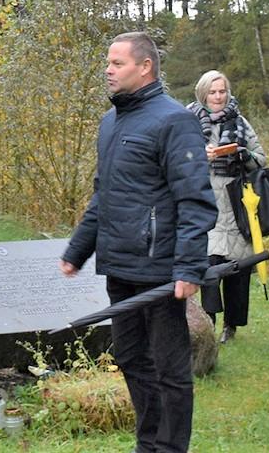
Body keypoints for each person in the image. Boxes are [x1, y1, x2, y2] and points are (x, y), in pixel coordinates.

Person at [60, 32, 215, 453]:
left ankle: (169, 448)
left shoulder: (173, 120)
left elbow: (195, 199)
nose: (108, 70)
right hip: (120, 264)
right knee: (130, 358)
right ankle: (148, 444)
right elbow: (104, 195)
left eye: (117, 63)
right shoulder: (111, 123)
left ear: (145, 67)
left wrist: (188, 267)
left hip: (159, 268)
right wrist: (78, 250)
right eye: (108, 63)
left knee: (169, 368)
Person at [187, 70, 267, 343]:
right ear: (203, 93)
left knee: (237, 267)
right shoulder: (188, 122)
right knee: (208, 265)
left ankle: (231, 326)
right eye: (213, 92)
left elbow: (261, 159)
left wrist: (240, 153)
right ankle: (208, 320)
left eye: (222, 91)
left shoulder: (241, 122)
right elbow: (176, 157)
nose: (219, 97)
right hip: (204, 200)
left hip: (236, 201)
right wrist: (200, 155)